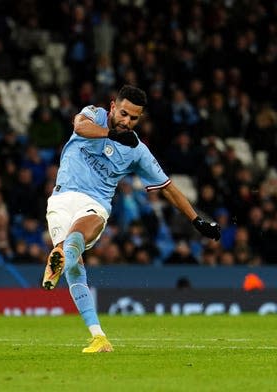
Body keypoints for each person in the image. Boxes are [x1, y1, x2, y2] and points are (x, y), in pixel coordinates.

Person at [42, 85, 220, 353]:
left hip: (93, 206)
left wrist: (197, 220)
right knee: (74, 266)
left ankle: (63, 253)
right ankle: (98, 336)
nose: (127, 121)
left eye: (134, 118)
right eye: (123, 113)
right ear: (113, 106)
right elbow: (80, 127)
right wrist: (112, 134)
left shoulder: (137, 150)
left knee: (72, 243)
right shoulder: (95, 115)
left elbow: (168, 188)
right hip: (60, 200)